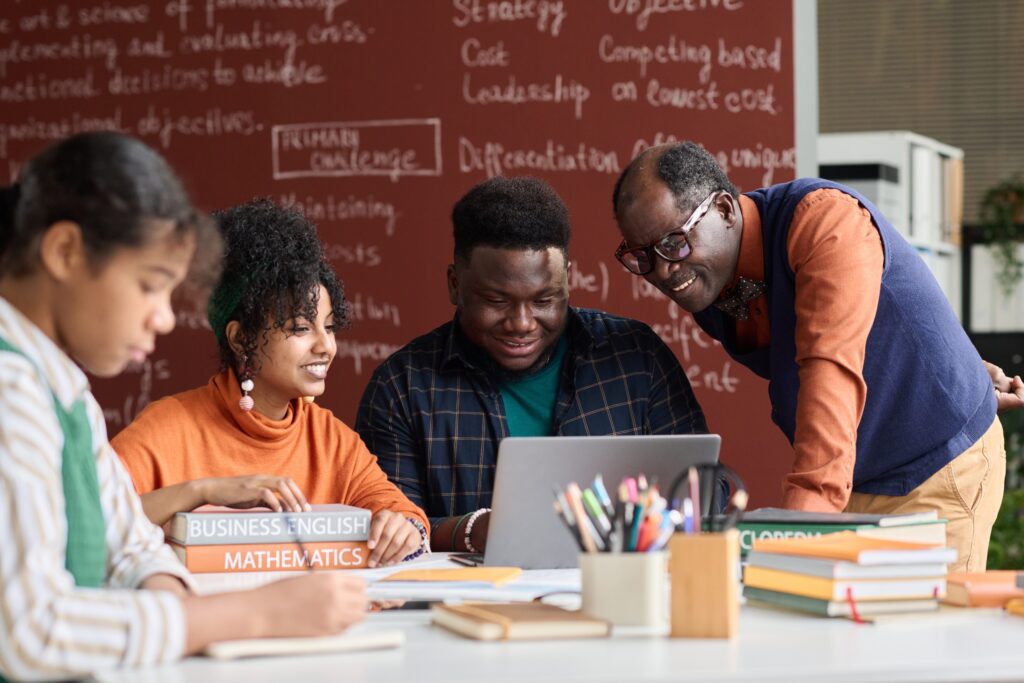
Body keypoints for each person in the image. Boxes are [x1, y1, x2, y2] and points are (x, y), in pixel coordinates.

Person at [0, 133, 367, 681]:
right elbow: (28, 634)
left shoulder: (68, 394)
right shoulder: (9, 390)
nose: (165, 319)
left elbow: (126, 547)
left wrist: (170, 597)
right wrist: (255, 614)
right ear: (65, 253)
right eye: (150, 286)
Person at [612, 141, 1005, 572]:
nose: (662, 272)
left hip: (936, 465)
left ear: (724, 210)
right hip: (852, 472)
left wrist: (796, 535)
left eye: (674, 242)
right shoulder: (708, 281)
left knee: (922, 636)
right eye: (642, 257)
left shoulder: (827, 223)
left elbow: (828, 368)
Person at [356, 176, 707, 553]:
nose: (522, 323)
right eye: (497, 301)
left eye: (544, 300)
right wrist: (474, 530)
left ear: (568, 281)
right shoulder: (403, 388)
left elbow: (706, 492)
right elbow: (389, 528)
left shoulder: (636, 360)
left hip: (618, 595)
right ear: (455, 285)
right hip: (466, 607)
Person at [113, 198, 428, 568]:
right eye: (299, 328)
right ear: (241, 338)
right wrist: (202, 492)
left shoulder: (332, 440)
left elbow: (404, 514)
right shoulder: (164, 429)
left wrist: (402, 526)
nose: (325, 346)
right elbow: (92, 523)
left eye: (328, 326)